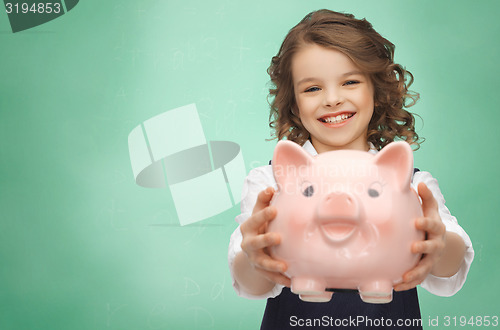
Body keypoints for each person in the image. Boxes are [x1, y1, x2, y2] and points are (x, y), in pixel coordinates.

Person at [228, 9, 474, 329]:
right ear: (293, 102)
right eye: (312, 88)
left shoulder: (412, 187)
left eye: (350, 81)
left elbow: (451, 266)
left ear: (376, 88)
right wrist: (253, 255)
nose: (332, 99)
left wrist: (437, 243)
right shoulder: (269, 184)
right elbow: (250, 284)